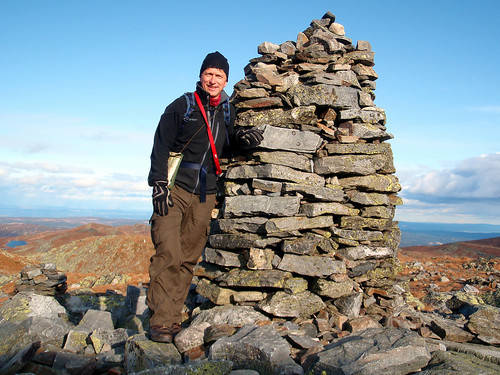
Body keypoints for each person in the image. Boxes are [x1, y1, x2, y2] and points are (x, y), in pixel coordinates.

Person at [147, 51, 263, 343]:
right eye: (208, 74)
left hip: (205, 194)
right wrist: (158, 184)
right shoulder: (182, 106)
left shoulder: (227, 110)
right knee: (167, 254)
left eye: (219, 76)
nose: (213, 80)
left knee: (187, 258)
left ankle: (173, 317)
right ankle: (161, 322)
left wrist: (242, 140)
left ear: (226, 80)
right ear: (201, 75)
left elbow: (224, 147)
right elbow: (160, 146)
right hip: (174, 190)